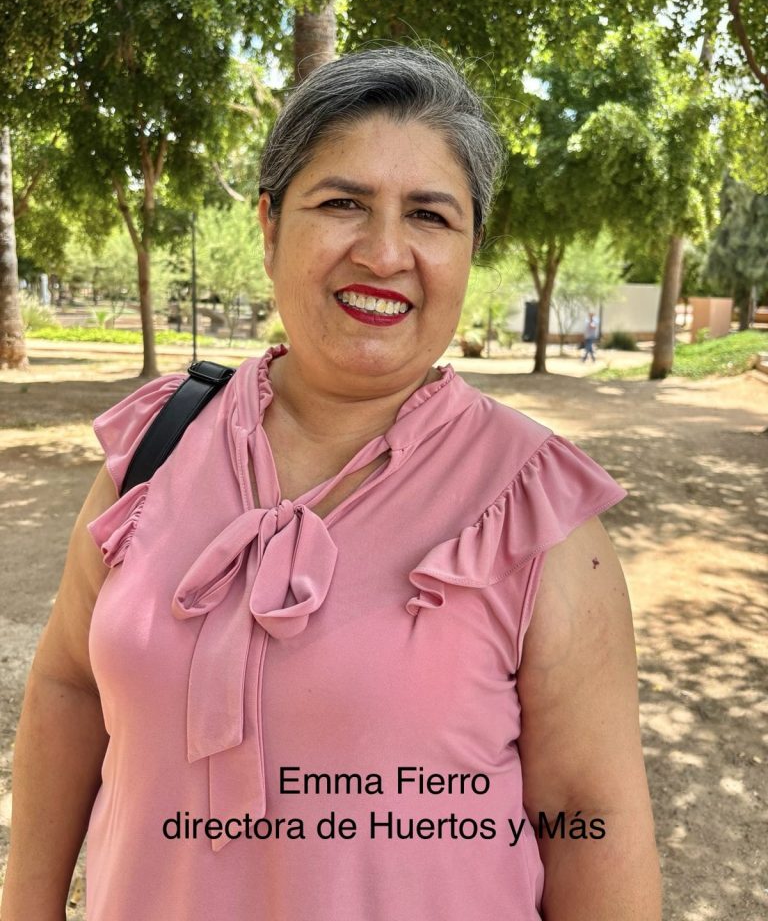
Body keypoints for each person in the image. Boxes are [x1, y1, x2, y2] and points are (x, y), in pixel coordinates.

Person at [2, 46, 661, 921]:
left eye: (429, 215)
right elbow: (69, 686)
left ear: (470, 249)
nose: (384, 253)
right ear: (270, 227)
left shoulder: (534, 515)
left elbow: (586, 815)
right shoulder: (158, 446)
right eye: (342, 203)